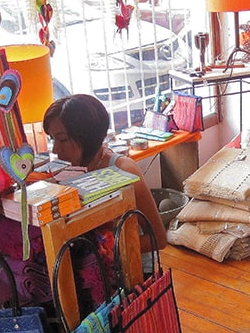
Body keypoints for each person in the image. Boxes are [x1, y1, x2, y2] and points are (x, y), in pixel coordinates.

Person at [42, 94, 168, 253]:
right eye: (53, 139)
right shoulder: (65, 171)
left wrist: (107, 251)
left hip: (126, 266)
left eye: (63, 139)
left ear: (87, 137)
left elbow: (158, 239)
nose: (55, 149)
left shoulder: (124, 170)